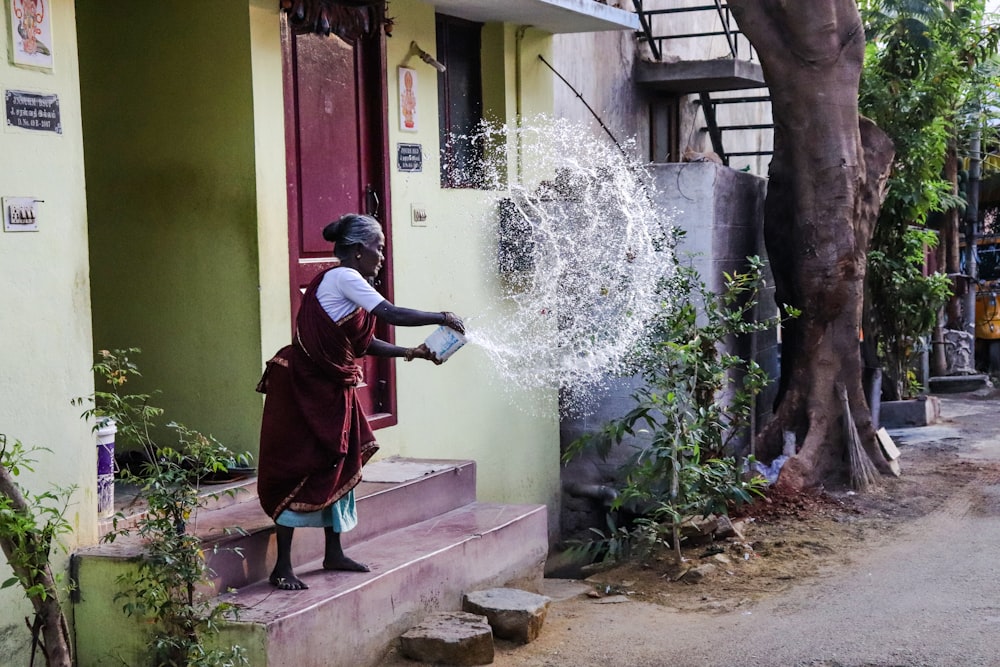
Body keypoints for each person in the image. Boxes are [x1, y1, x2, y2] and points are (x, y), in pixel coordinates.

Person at [256, 213, 465, 590]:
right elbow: (391, 313)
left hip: (330, 387)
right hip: (305, 387)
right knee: (302, 465)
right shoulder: (344, 277)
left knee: (340, 461)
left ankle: (333, 551)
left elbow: (362, 343)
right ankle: (282, 566)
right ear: (356, 251)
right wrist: (442, 315)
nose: (382, 256)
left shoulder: (348, 284)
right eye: (378, 248)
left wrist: (410, 352)